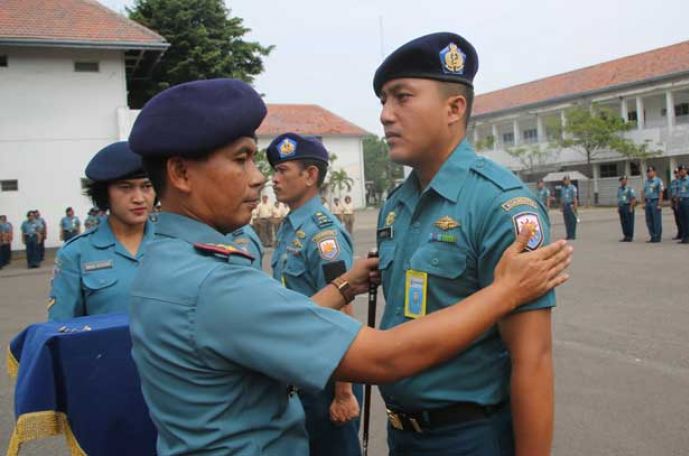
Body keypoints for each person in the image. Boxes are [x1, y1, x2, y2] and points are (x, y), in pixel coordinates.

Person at [126, 78, 571, 455]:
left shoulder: (166, 258)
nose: (260, 176)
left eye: (403, 97)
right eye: (241, 159)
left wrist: (342, 285)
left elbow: (533, 357)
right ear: (181, 174)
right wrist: (505, 291)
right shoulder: (211, 280)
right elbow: (384, 357)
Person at [373, 32, 560, 455]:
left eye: (402, 97)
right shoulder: (396, 207)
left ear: (454, 108)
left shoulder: (501, 204)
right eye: (383, 100)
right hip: (402, 435)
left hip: (468, 438)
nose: (385, 114)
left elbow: (532, 361)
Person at [268, 132, 362, 456]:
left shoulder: (324, 234)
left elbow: (342, 308)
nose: (274, 179)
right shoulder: (291, 227)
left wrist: (344, 392)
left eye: (283, 171)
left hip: (328, 378)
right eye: (275, 171)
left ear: (310, 176)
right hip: (302, 370)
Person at [48, 141, 155, 321]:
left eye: (146, 186)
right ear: (104, 195)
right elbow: (62, 327)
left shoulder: (175, 243)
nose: (139, 198)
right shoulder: (76, 253)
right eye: (125, 187)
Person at [641, 165, 663, 243]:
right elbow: (643, 192)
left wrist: (659, 204)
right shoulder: (646, 181)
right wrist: (643, 202)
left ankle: (657, 237)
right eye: (648, 172)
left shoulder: (658, 181)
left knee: (656, 220)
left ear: (654, 172)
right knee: (649, 220)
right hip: (648, 202)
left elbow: (661, 192)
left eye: (651, 171)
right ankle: (653, 236)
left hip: (655, 201)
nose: (649, 173)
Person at [676, 165, 689, 243]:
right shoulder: (678, 181)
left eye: (683, 170)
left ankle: (688, 237)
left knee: (688, 220)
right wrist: (677, 203)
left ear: (686, 171)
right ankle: (684, 237)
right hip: (680, 201)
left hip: (687, 200)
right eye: (680, 171)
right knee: (682, 220)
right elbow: (678, 193)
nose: (682, 172)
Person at [617, 176, 636, 242]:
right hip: (622, 207)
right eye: (621, 180)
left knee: (629, 222)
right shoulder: (619, 189)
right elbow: (619, 199)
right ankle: (625, 236)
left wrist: (631, 207)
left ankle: (630, 236)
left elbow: (633, 199)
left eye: (624, 180)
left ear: (626, 181)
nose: (622, 181)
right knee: (623, 222)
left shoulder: (630, 188)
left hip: (628, 206)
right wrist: (618, 207)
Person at [560, 175, 578, 240]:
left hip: (571, 205)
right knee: (567, 221)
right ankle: (568, 235)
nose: (565, 181)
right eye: (564, 180)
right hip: (565, 206)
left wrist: (575, 207)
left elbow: (575, 198)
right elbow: (562, 198)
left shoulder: (573, 188)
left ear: (569, 180)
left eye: (566, 180)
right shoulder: (562, 188)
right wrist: (561, 207)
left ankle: (573, 235)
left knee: (572, 221)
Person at [670, 168, 681, 239]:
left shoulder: (682, 181)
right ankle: (680, 233)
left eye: (677, 172)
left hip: (680, 201)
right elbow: (671, 192)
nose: (676, 174)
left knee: (682, 219)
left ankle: (684, 233)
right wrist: (671, 202)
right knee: (677, 219)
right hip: (674, 201)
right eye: (675, 173)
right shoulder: (673, 182)